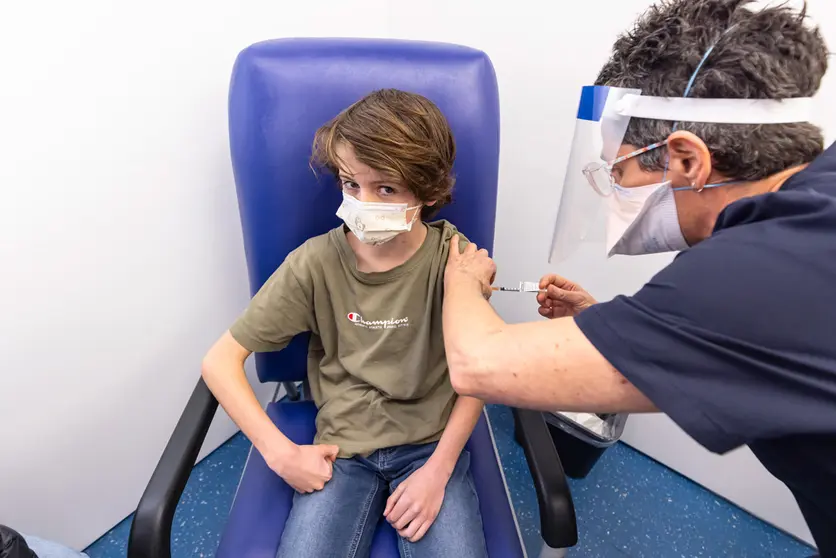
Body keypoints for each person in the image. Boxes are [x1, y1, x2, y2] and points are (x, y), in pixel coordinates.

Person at [441, 1, 836, 556]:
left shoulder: (754, 276)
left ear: (687, 161)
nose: (612, 191)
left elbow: (475, 363)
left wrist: (459, 279)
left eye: (619, 171)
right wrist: (614, 327)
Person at [201, 89, 488, 558]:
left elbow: (482, 368)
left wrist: (439, 469)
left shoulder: (456, 260)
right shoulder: (314, 264)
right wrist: (283, 454)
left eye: (387, 189)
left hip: (430, 446)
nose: (362, 203)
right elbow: (220, 361)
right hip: (343, 450)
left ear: (429, 191)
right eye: (351, 183)